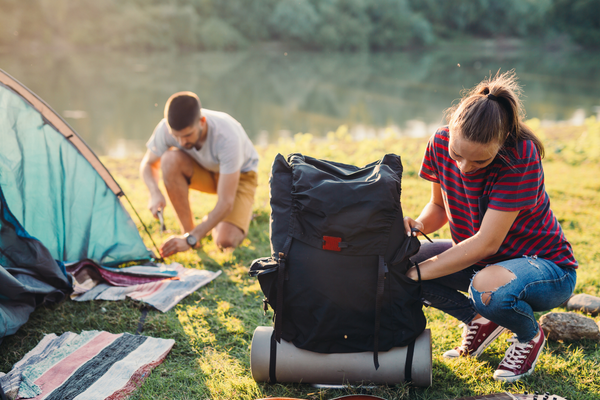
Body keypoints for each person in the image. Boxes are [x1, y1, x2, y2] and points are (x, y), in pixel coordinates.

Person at [403, 71, 577, 383]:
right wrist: (416, 225)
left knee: (482, 287)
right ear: (452, 129)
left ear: (501, 144)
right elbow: (440, 207)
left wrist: (419, 273)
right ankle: (479, 320)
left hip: (548, 269)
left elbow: (486, 244)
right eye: (457, 155)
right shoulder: (440, 141)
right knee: (404, 261)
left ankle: (528, 336)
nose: (464, 167)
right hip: (483, 266)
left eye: (479, 162)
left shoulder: (520, 156)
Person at [140, 91, 259, 256]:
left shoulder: (227, 136)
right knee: (169, 160)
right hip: (205, 169)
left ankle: (237, 216)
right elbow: (147, 164)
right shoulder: (165, 129)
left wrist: (192, 237)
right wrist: (154, 192)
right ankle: (189, 232)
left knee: (225, 241)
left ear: (202, 121)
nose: (182, 142)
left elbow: (226, 201)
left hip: (240, 176)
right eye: (176, 136)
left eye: (188, 135)